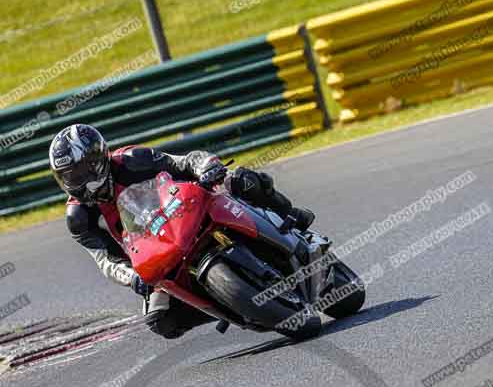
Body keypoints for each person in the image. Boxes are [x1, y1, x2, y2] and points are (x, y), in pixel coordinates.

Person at [48, 124, 314, 339]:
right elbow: (105, 260)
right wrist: (131, 277)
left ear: (97, 159)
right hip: (154, 256)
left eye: (80, 171)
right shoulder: (79, 218)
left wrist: (206, 166)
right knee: (161, 321)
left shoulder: (132, 160)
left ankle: (288, 216)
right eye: (68, 176)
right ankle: (230, 304)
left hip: (186, 211)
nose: (76, 182)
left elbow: (184, 162)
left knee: (240, 179)